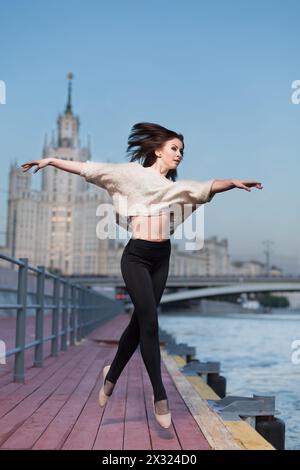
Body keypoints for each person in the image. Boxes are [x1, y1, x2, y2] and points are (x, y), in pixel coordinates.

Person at [21, 121, 263, 429]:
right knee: (150, 323)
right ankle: (159, 395)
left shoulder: (173, 188)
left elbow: (203, 188)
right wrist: (52, 160)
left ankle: (111, 375)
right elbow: (89, 169)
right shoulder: (131, 174)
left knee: (139, 324)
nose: (179, 155)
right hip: (136, 257)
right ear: (158, 150)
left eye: (182, 151)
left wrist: (232, 182)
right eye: (174, 148)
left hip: (162, 258)